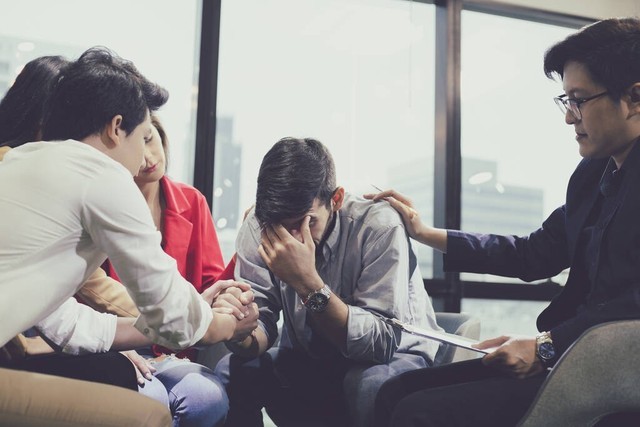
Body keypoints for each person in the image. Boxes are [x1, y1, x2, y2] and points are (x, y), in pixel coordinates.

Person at [368, 17, 640, 427]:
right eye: (566, 101)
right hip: (569, 354)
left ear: (634, 98)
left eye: (579, 100)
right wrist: (425, 233)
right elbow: (532, 254)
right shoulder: (592, 176)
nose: (569, 117)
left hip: (610, 369)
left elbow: (631, 303)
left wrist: (545, 346)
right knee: (395, 390)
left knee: (418, 411)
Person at [0, 47, 247, 383]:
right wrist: (226, 325)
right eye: (144, 136)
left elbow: (66, 325)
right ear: (116, 128)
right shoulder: (101, 175)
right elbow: (175, 318)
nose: (144, 155)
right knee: (149, 409)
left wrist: (185, 316)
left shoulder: (22, 160)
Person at [214, 137, 441, 427]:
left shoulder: (379, 227)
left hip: (394, 356)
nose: (291, 240)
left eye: (306, 222)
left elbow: (381, 343)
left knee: (370, 384)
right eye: (280, 226)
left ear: (336, 199)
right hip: (309, 357)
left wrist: (307, 283)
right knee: (232, 370)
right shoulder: (259, 225)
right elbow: (262, 327)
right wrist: (238, 330)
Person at [75, 115, 258, 427]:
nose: (148, 157)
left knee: (208, 397)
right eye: (139, 144)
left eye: (151, 139)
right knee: (153, 399)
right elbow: (91, 294)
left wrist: (245, 244)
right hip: (120, 339)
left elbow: (214, 284)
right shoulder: (103, 206)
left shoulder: (192, 201)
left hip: (181, 340)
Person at [0, 54, 144, 391]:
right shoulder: (27, 178)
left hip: (36, 334)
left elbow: (69, 308)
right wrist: (176, 319)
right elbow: (90, 290)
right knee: (117, 375)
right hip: (18, 346)